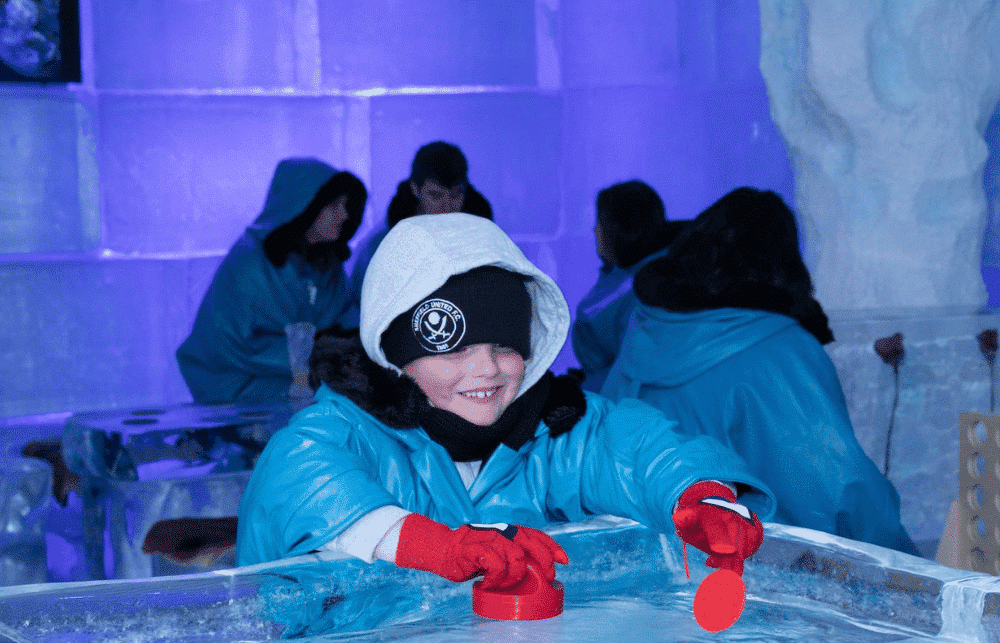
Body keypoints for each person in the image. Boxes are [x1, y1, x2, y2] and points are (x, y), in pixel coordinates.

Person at [236, 213, 776, 591]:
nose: (487, 369)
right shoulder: (344, 433)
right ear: (396, 359)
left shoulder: (550, 430)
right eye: (455, 350)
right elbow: (298, 479)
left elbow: (635, 446)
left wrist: (697, 493)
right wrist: (430, 546)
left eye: (504, 345)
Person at [601, 187, 920, 556]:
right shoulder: (780, 352)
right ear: (783, 260)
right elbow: (835, 484)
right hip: (755, 574)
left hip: (651, 563)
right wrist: (902, 564)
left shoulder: (645, 329)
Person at [176, 158, 367, 404]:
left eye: (346, 205)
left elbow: (344, 320)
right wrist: (317, 356)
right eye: (332, 205)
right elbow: (231, 346)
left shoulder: (327, 264)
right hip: (236, 384)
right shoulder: (248, 267)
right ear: (303, 207)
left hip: (300, 379)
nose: (344, 215)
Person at [571, 181, 687, 391]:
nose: (594, 230)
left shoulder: (600, 309)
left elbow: (621, 379)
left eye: (598, 223)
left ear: (611, 229)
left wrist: (581, 390)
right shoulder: (687, 265)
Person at [347, 141, 493, 307]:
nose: (447, 208)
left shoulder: (483, 243)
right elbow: (361, 312)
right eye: (436, 196)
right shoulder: (381, 246)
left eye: (455, 196)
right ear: (415, 189)